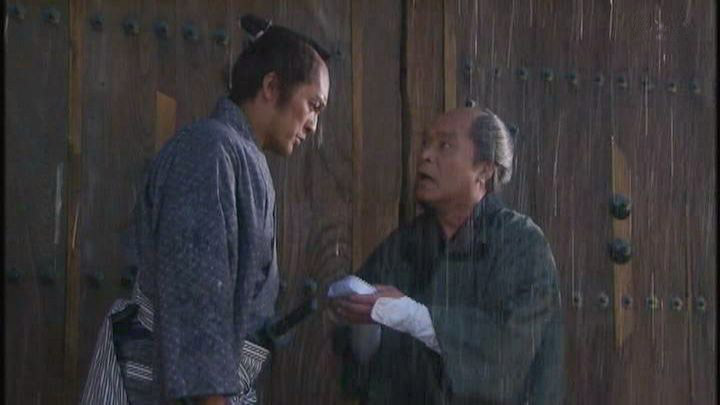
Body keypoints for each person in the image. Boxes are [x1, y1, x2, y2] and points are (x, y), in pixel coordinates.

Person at [81, 14, 330, 405]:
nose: (313, 124)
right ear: (271, 86)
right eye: (313, 105)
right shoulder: (209, 151)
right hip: (171, 387)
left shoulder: (236, 153)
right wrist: (211, 397)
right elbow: (197, 292)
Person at [332, 108, 565, 404]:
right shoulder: (405, 243)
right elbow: (358, 355)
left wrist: (411, 315)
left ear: (484, 170)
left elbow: (507, 349)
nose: (425, 156)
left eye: (444, 145)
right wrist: (362, 323)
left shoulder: (521, 242)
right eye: (425, 144)